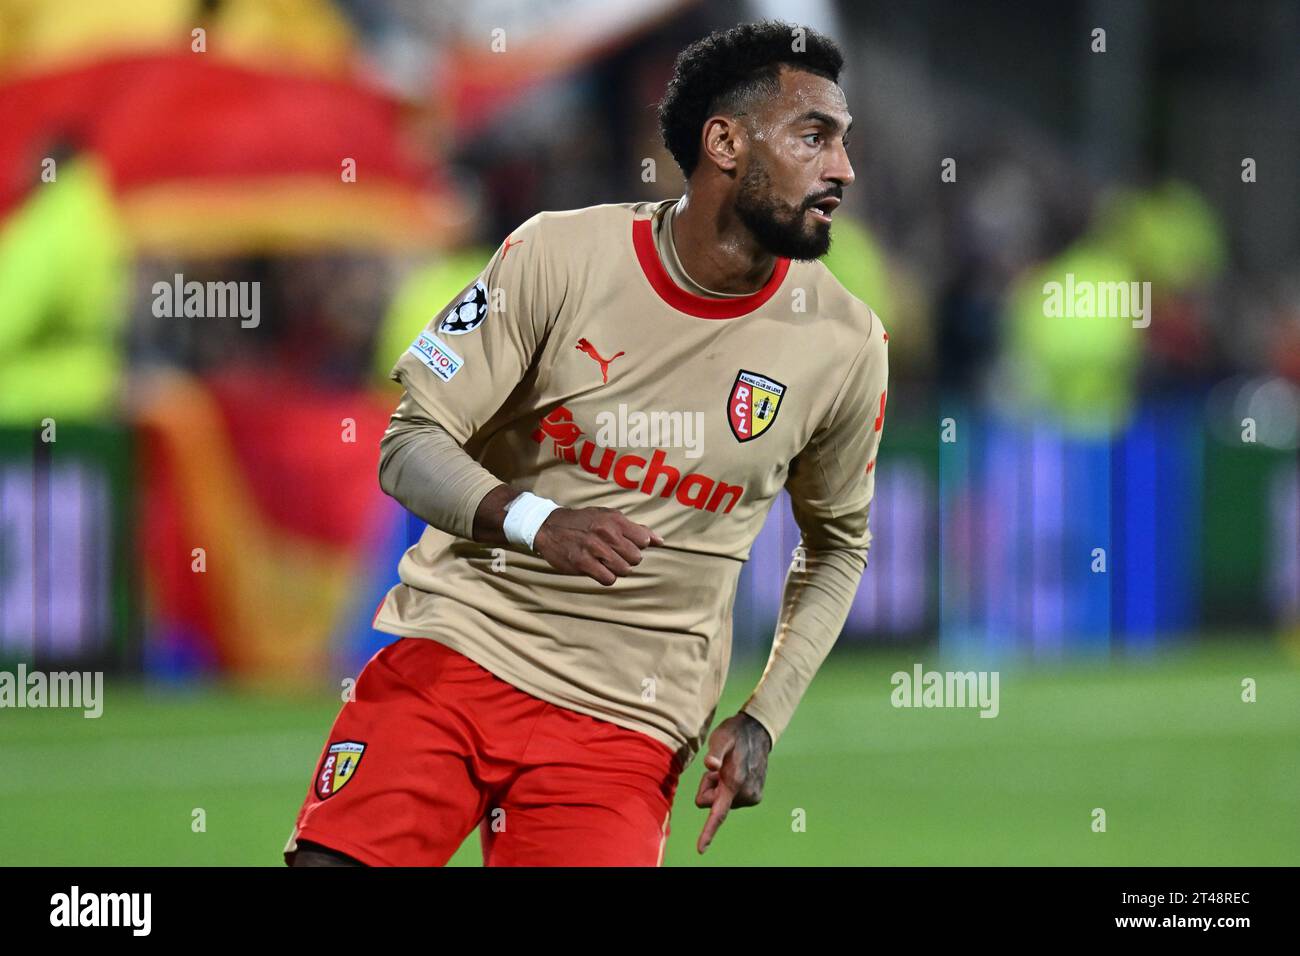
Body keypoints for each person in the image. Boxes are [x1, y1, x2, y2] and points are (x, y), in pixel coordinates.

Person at [285, 19, 889, 867]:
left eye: (844, 142)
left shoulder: (844, 342)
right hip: (462, 650)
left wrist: (763, 715)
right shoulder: (556, 257)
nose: (843, 169)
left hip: (630, 723)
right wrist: (534, 520)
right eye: (813, 136)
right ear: (723, 142)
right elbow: (410, 441)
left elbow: (838, 546)